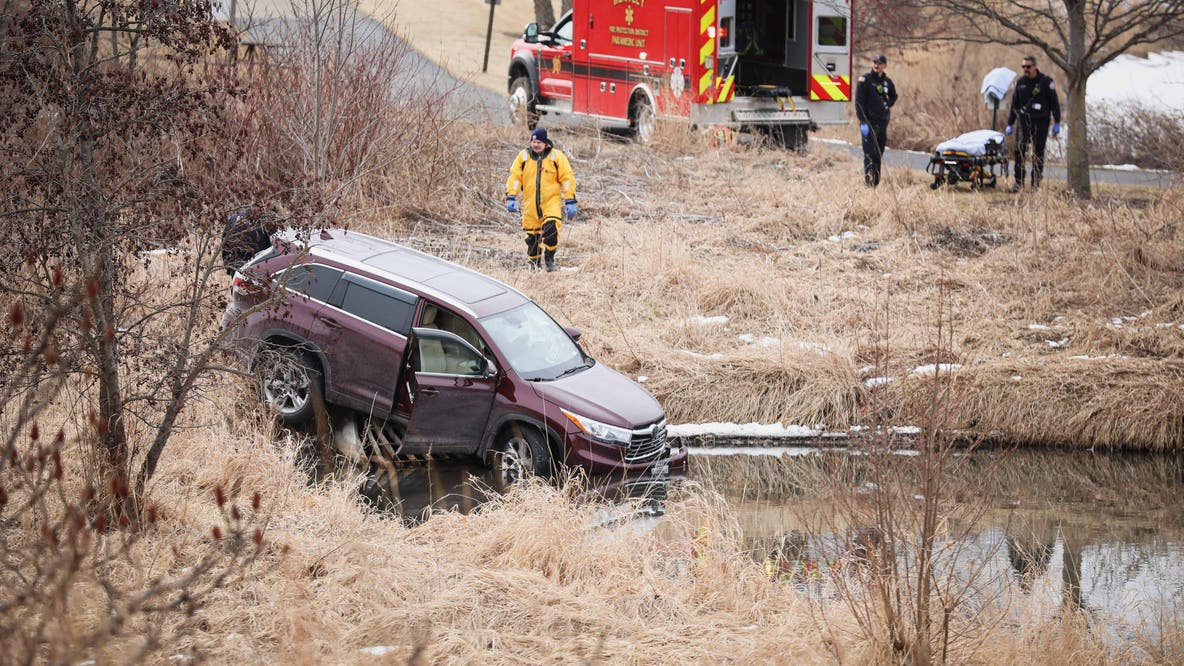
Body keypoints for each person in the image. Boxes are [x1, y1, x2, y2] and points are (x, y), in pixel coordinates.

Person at [505, 127, 577, 272]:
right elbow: (515, 177)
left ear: (546, 143)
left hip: (550, 203)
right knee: (532, 238)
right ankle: (534, 265)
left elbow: (567, 178)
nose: (535, 145)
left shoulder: (556, 157)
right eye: (533, 142)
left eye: (539, 142)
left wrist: (570, 200)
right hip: (530, 205)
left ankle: (549, 259)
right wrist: (511, 196)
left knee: (551, 231)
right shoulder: (523, 157)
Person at [1005, 55, 1062, 191]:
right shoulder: (1021, 83)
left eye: (1028, 66)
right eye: (1023, 67)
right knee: (1019, 152)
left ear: (1035, 67)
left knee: (1038, 153)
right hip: (1024, 121)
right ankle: (1018, 183)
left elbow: (1055, 104)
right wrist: (1010, 123)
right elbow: (1015, 104)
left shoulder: (1046, 82)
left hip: (1041, 121)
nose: (1025, 69)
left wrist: (1057, 122)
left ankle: (1035, 184)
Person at [853, 54, 897, 187]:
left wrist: (887, 104)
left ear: (884, 66)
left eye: (880, 63)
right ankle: (868, 183)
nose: (876, 65)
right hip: (869, 122)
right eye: (875, 63)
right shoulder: (865, 80)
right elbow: (859, 102)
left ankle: (876, 183)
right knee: (869, 153)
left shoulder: (887, 82)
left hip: (882, 122)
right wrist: (863, 121)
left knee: (878, 154)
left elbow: (893, 96)